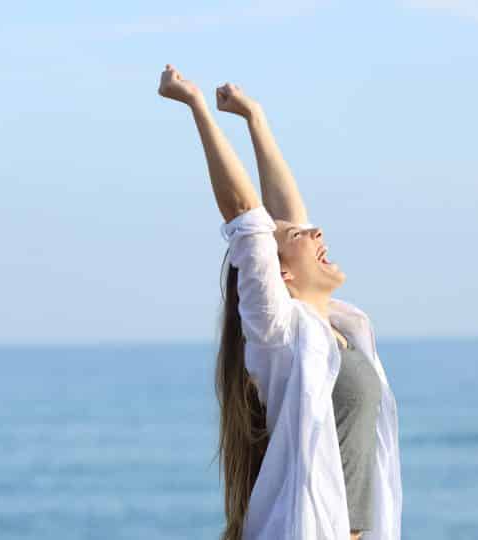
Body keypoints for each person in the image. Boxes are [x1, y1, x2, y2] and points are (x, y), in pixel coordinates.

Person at [157, 64, 402, 540]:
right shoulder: (281, 335)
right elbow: (247, 219)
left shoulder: (340, 331)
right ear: (282, 273)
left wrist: (255, 118)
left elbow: (287, 214)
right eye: (301, 236)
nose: (316, 231)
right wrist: (197, 108)